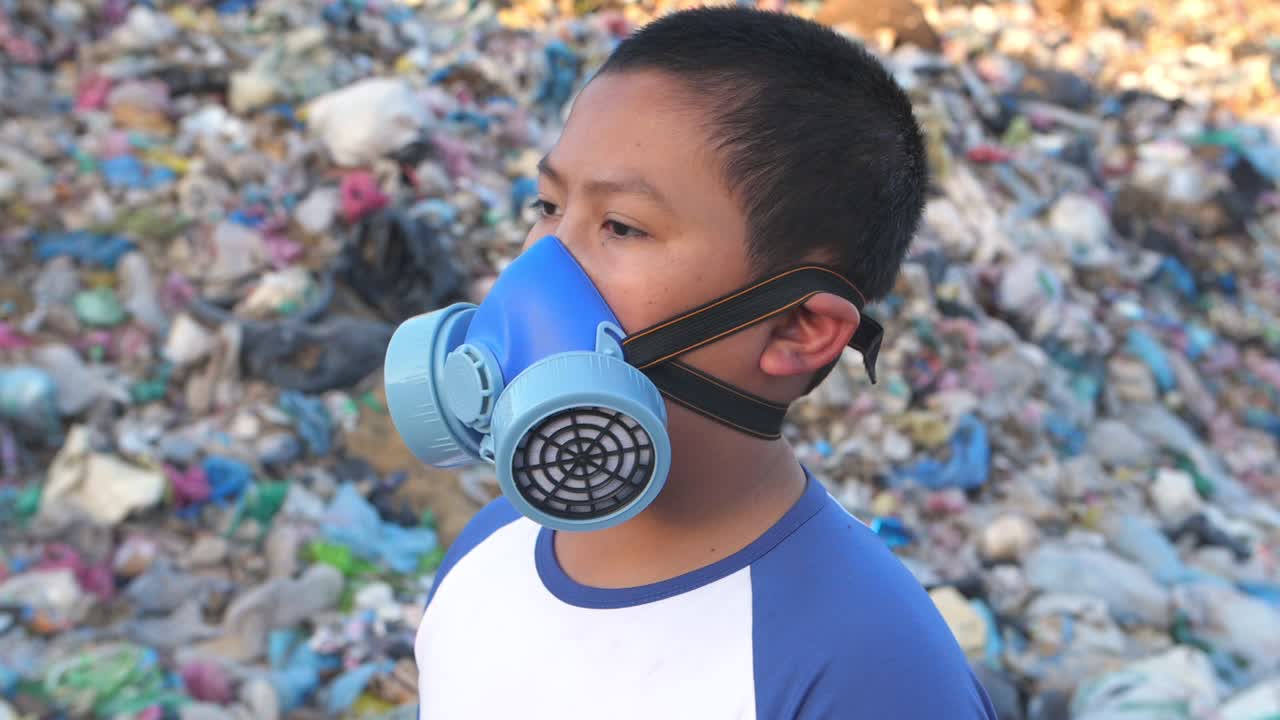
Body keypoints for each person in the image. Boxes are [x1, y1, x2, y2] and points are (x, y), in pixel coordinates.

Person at [400, 6, 998, 718]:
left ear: (800, 329)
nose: (539, 263)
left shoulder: (866, 671)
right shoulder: (489, 549)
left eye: (622, 226)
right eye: (549, 205)